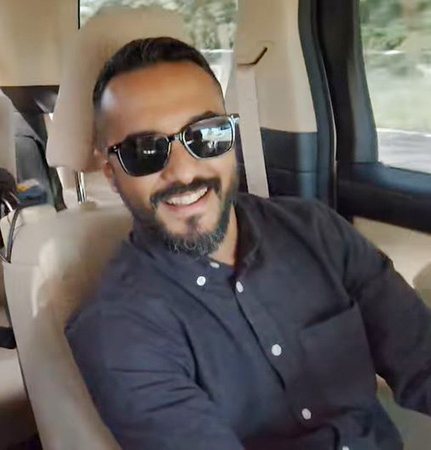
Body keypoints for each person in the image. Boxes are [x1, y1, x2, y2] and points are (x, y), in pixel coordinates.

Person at [66, 37, 431, 450]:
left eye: (206, 135)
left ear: (231, 138)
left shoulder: (317, 232)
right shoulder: (118, 330)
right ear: (111, 174)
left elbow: (421, 357)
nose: (184, 172)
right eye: (144, 151)